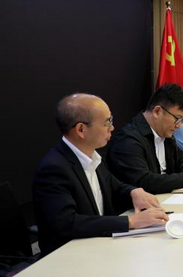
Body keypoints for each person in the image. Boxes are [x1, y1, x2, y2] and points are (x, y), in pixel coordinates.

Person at [33, 94, 168, 255]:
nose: (112, 127)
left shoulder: (92, 156)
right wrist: (130, 221)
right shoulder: (54, 168)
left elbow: (115, 186)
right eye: (107, 122)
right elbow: (67, 223)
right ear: (81, 129)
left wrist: (134, 192)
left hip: (99, 244)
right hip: (70, 255)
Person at [106, 84, 183, 194]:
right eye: (177, 119)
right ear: (157, 111)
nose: (179, 125)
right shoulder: (127, 140)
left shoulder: (165, 135)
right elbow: (145, 182)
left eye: (182, 120)